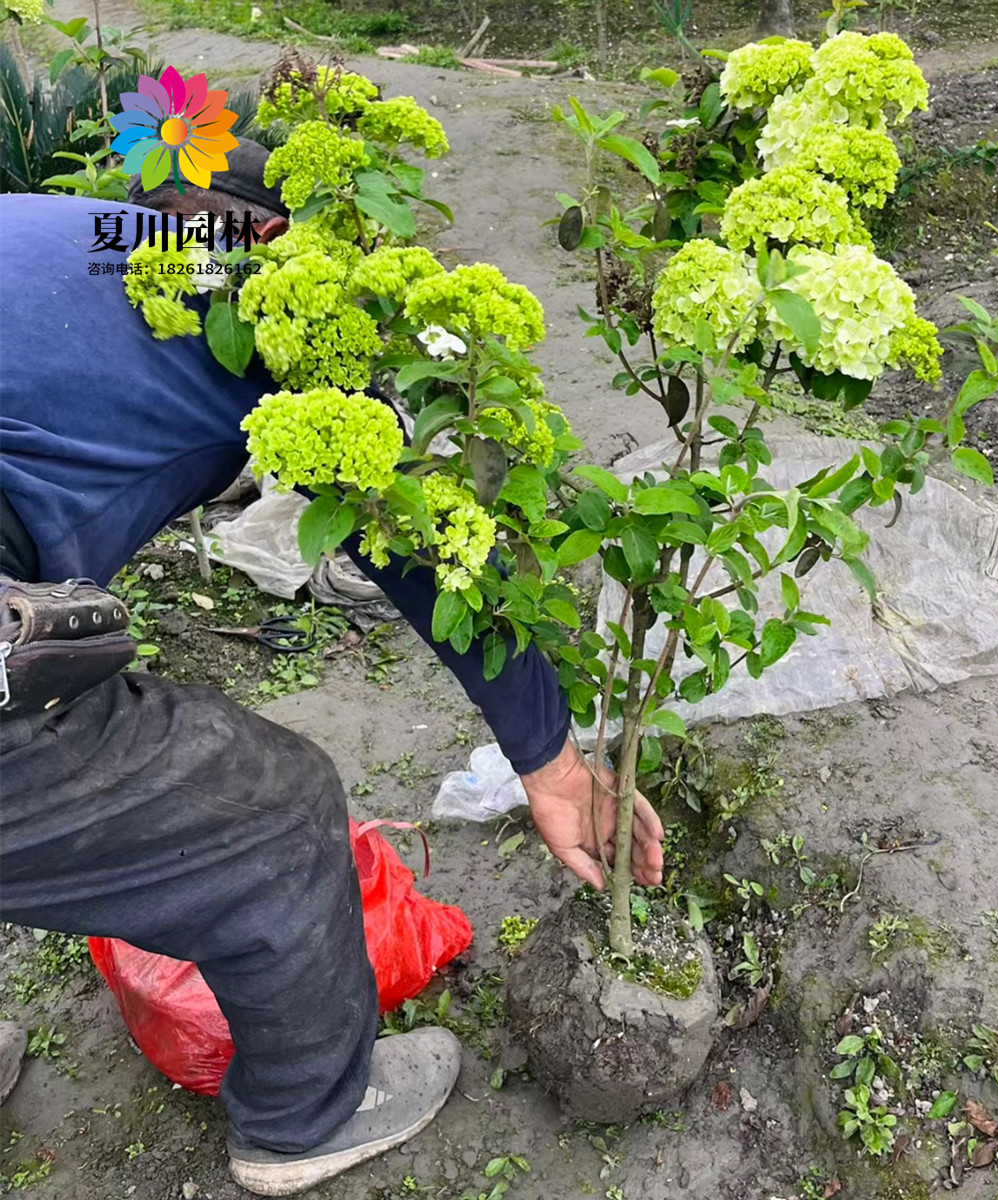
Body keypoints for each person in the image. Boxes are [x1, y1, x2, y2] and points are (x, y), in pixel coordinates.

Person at [0, 142, 665, 1196]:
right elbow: (414, 543)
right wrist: (552, 763)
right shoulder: (283, 320)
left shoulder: (60, 233)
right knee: (264, 811)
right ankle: (306, 1123)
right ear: (280, 237)